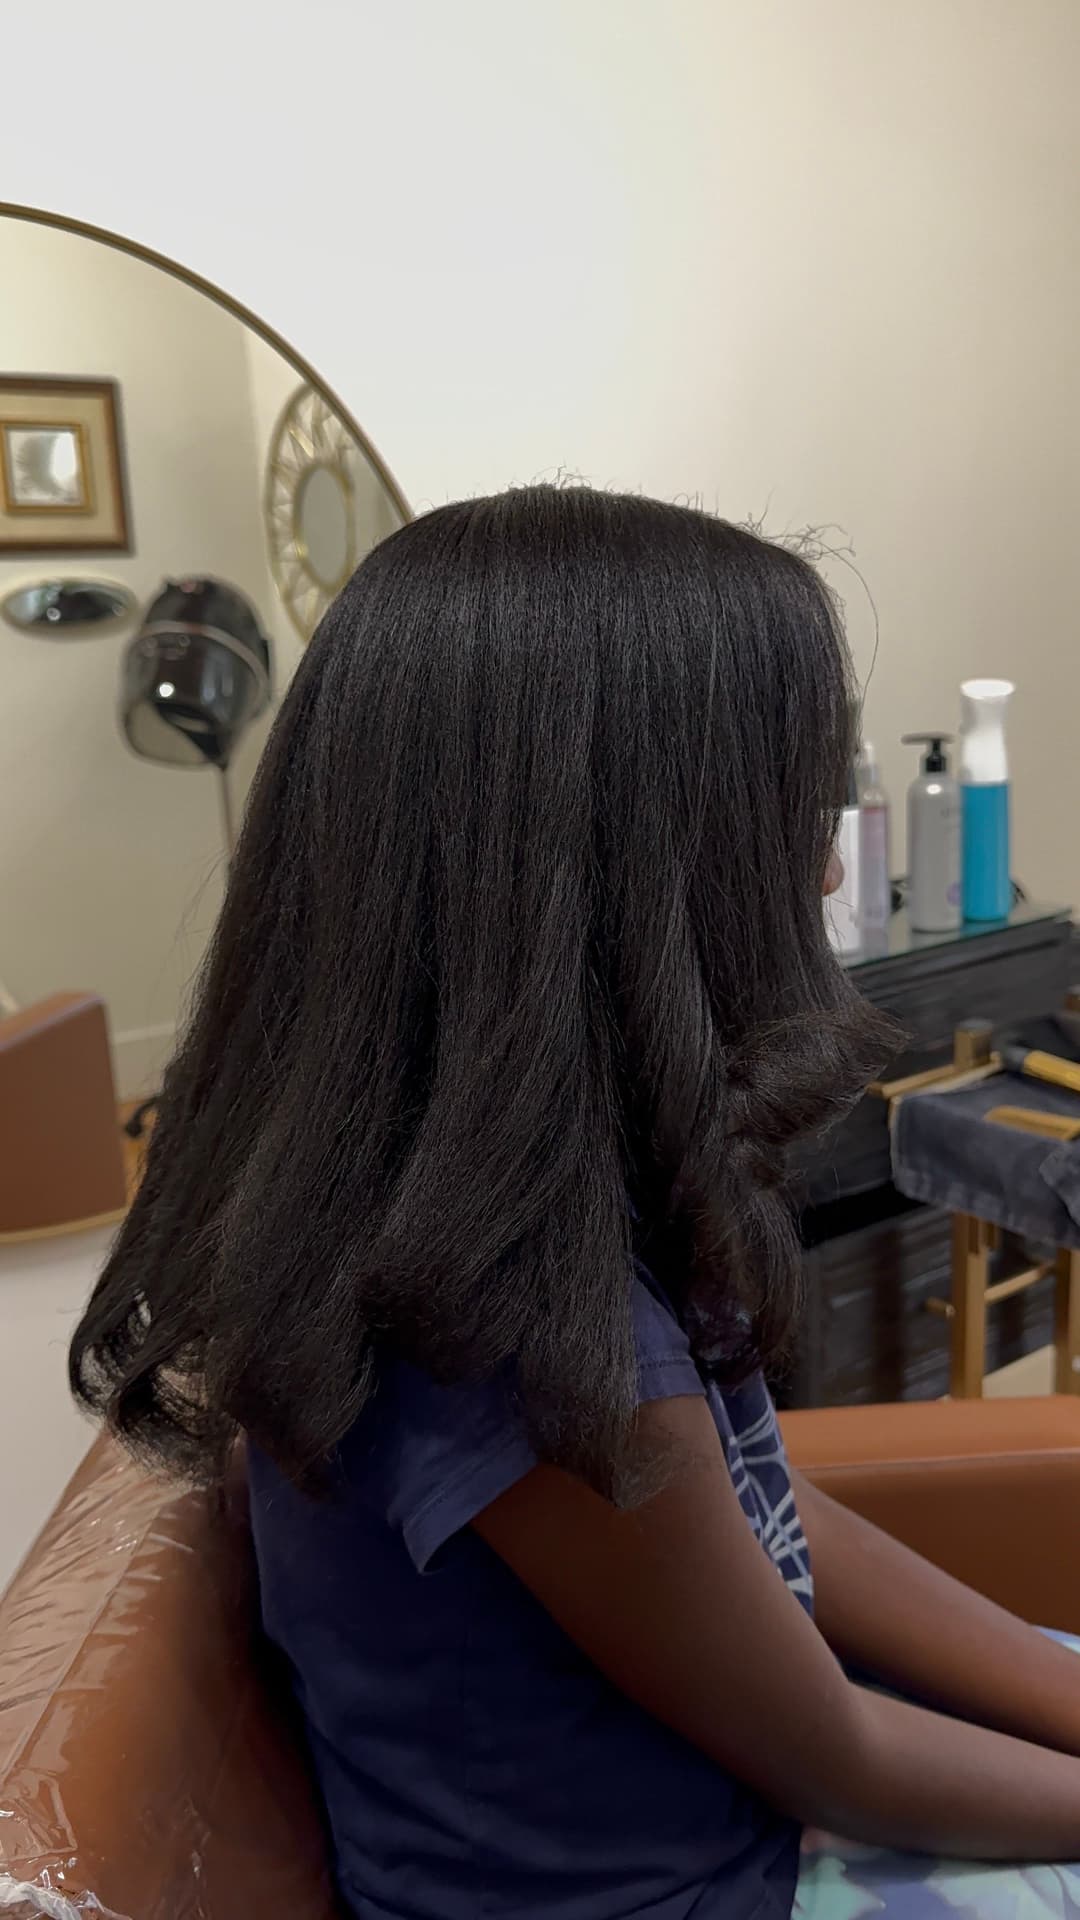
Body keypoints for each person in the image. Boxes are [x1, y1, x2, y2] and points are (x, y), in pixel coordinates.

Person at [70, 487, 1080, 1920]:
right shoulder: (503, 1317)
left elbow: (767, 1520)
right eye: (800, 811)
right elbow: (842, 1761)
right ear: (637, 865)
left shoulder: (509, 1202)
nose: (832, 860)